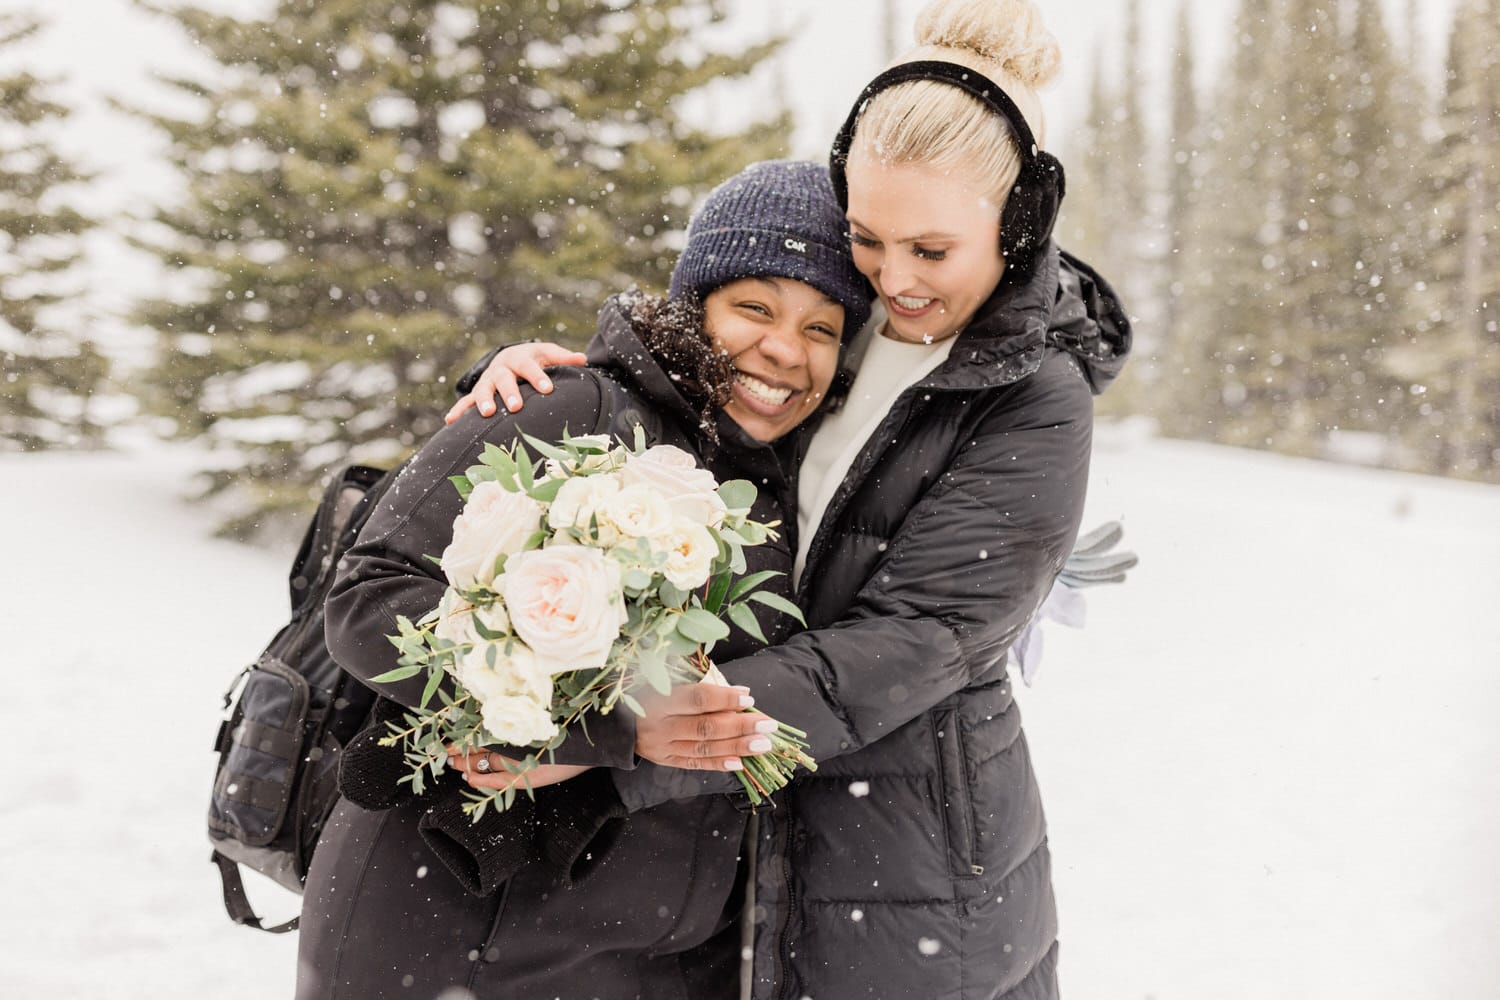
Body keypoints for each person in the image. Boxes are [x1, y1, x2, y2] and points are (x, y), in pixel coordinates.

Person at [447, 1, 1132, 997]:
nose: (892, 280)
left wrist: (638, 738)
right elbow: (690, 376)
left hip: (912, 858)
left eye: (930, 252)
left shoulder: (1037, 400)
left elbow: (916, 640)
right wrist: (533, 389)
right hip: (739, 828)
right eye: (867, 237)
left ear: (1019, 220)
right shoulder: (837, 313)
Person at [302, 159, 872, 1000]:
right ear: (696, 303)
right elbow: (368, 600)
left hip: (658, 951)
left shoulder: (797, 479)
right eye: (755, 307)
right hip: (452, 925)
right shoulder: (568, 407)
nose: (785, 350)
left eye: (823, 329)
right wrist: (604, 723)